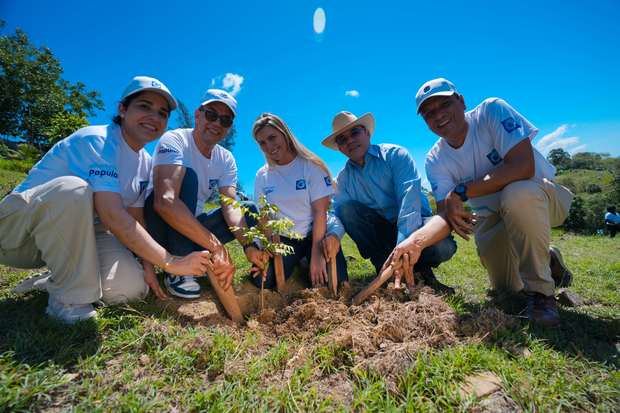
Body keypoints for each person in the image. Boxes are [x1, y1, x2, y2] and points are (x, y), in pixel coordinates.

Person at [2, 76, 213, 323]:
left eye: (162, 113)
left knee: (129, 289)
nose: (154, 117)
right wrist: (171, 262)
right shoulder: (98, 140)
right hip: (18, 234)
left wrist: (147, 267)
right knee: (75, 189)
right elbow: (112, 214)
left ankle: (53, 279)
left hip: (83, 234)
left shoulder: (145, 162)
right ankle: (68, 300)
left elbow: (135, 218)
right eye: (144, 106)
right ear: (123, 109)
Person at [416, 77, 574, 327]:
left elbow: (523, 166)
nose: (438, 115)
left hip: (541, 199)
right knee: (507, 290)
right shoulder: (435, 159)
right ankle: (549, 259)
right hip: (491, 217)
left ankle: (542, 294)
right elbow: (445, 212)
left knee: (517, 193)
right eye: (428, 113)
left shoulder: (491, 110)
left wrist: (462, 190)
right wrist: (414, 244)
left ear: (461, 101)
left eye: (444, 105)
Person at [145, 89, 268, 299]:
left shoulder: (226, 158)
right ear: (198, 114)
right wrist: (217, 247)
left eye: (225, 120)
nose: (217, 123)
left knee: (248, 210)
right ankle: (179, 268)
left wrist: (248, 245)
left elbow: (230, 205)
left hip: (191, 225)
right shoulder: (175, 140)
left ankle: (196, 254)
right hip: (158, 226)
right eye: (211, 114)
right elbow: (165, 202)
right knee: (189, 178)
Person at [322, 111, 457, 293]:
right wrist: (333, 236)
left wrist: (402, 247)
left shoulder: (395, 155)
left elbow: (409, 205)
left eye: (355, 133)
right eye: (342, 139)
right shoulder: (343, 180)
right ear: (339, 147)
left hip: (415, 226)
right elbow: (338, 216)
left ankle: (420, 271)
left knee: (444, 246)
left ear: (367, 133)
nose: (350, 141)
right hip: (381, 233)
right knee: (346, 210)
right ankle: (383, 267)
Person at [251, 113, 348, 289]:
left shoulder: (310, 166)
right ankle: (299, 260)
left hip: (315, 235)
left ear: (285, 134)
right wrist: (264, 247)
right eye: (262, 143)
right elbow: (264, 217)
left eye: (272, 138)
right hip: (284, 239)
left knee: (335, 282)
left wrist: (318, 255)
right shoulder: (262, 175)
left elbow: (320, 212)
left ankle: (308, 258)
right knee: (263, 281)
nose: (269, 146)